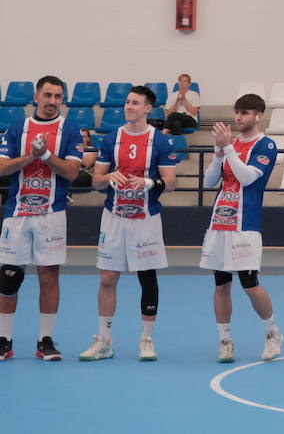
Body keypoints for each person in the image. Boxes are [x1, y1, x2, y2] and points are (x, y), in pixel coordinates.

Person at [82, 86, 179, 361]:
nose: (129, 106)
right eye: (127, 102)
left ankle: (146, 339)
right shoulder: (112, 138)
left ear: (148, 108)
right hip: (114, 217)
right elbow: (96, 181)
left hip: (145, 219)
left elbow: (171, 183)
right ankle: (104, 340)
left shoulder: (160, 141)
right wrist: (109, 177)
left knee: (147, 277)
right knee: (107, 277)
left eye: (135, 103)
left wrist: (148, 183)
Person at [0, 76, 83, 361]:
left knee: (49, 277)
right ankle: (4, 340)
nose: (52, 102)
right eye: (47, 95)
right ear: (36, 96)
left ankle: (45, 340)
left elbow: (72, 172)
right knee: (8, 278)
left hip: (52, 214)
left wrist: (46, 154)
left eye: (58, 97)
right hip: (17, 213)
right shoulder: (16, 128)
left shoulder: (69, 130)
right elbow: (1, 167)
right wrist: (29, 157)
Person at [199, 93, 283, 363]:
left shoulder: (266, 145)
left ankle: (272, 333)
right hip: (219, 222)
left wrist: (229, 149)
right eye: (237, 112)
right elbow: (210, 180)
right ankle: (225, 340)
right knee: (221, 284)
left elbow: (247, 178)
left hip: (245, 225)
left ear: (258, 115)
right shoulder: (229, 144)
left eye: (245, 113)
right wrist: (217, 153)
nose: (238, 118)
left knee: (250, 285)